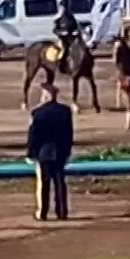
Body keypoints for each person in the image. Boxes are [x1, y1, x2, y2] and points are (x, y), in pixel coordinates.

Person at [26, 83, 74, 221]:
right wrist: (67, 150)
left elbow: (34, 135)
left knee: (44, 183)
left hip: (44, 153)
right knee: (60, 182)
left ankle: (43, 212)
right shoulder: (65, 111)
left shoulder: (38, 113)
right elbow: (69, 133)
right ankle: (62, 211)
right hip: (60, 151)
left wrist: (30, 153)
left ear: (46, 95)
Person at [52, 0, 81, 74]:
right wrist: (61, 33)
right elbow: (54, 30)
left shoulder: (71, 17)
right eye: (64, 6)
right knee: (64, 50)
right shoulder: (58, 18)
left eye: (66, 6)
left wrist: (76, 32)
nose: (65, 8)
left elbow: (76, 27)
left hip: (71, 38)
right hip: (62, 39)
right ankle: (61, 67)